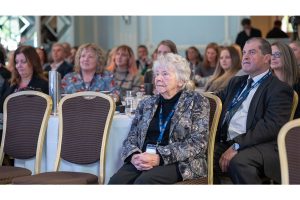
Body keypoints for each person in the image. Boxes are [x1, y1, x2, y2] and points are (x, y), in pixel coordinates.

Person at [108, 53, 210, 184]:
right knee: (116, 182)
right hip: (144, 158)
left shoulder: (197, 101)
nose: (158, 78)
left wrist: (159, 157)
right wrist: (134, 156)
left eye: (165, 74)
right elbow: (131, 137)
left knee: (144, 182)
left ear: (181, 80)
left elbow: (198, 143)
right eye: (157, 74)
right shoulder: (147, 103)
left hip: (180, 163)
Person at [214, 37, 293, 184]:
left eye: (252, 52)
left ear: (267, 58)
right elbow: (216, 100)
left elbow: (270, 126)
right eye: (244, 52)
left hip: (259, 144)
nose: (245, 57)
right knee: (200, 156)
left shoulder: (279, 89)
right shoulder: (236, 82)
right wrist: (184, 93)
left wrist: (237, 145)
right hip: (226, 140)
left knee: (239, 162)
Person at [0, 45, 48, 113]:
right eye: (17, 62)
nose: (19, 66)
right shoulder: (8, 83)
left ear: (33, 62)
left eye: (23, 61)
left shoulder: (44, 85)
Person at [270, 41, 300, 118]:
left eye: (277, 54)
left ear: (287, 56)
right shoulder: (267, 83)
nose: (273, 58)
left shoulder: (298, 83)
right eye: (271, 55)